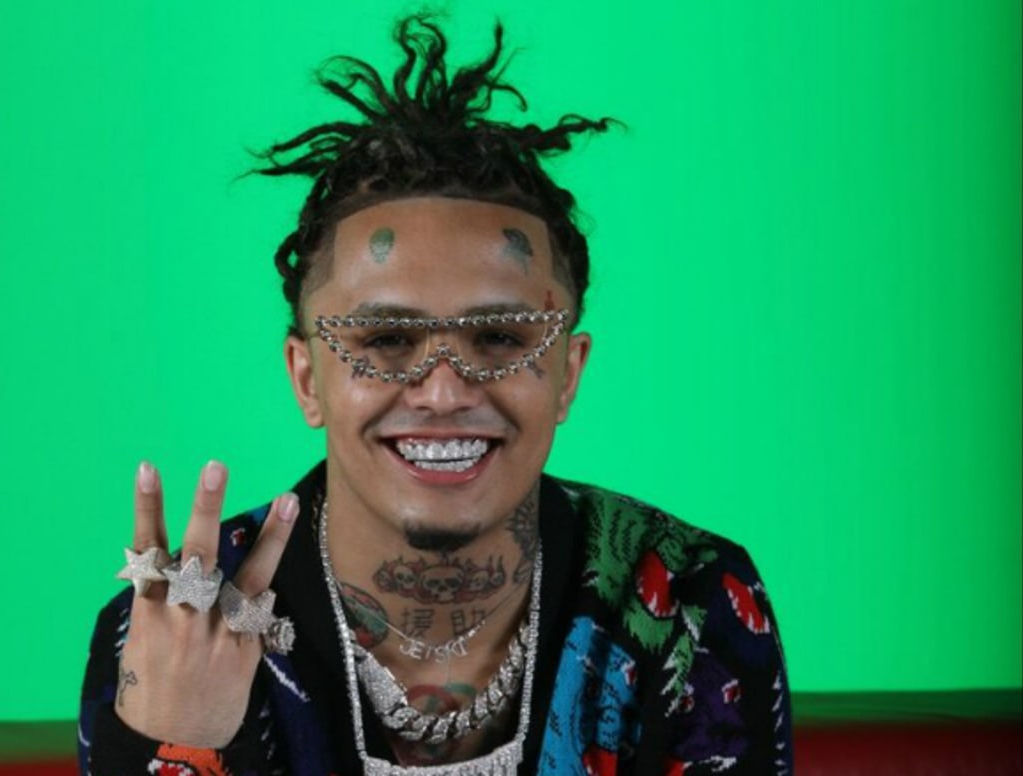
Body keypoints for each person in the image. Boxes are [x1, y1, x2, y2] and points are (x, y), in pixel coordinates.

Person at [79, 15, 791, 776]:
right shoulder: (175, 627)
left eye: (501, 337)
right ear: (306, 378)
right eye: (387, 340)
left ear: (568, 374)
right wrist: (176, 740)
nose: (445, 390)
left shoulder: (686, 598)